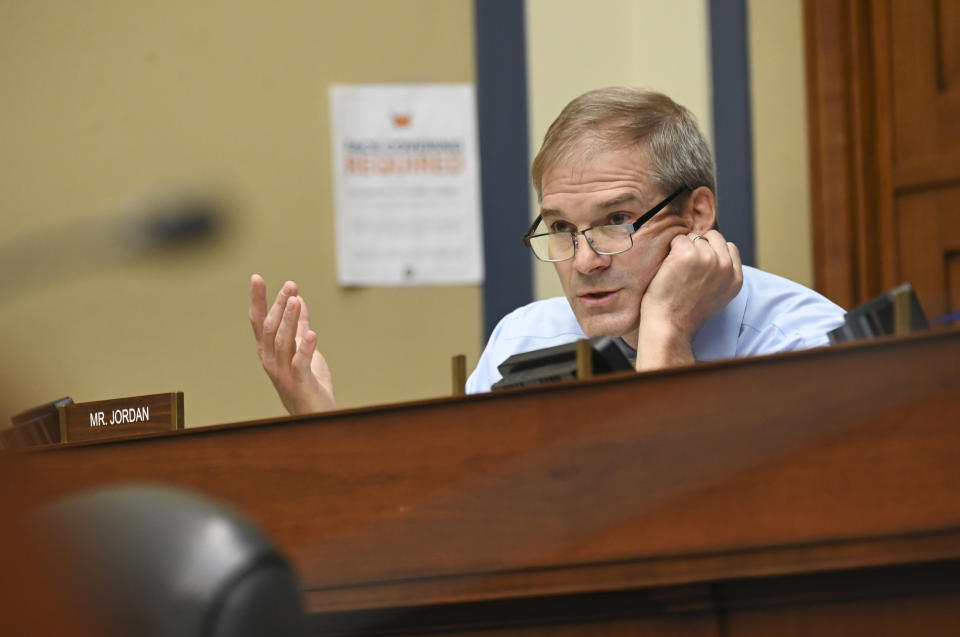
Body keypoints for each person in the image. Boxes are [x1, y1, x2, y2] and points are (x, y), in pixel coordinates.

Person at [249, 87, 845, 413]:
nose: (585, 261)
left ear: (697, 214)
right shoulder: (524, 339)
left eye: (615, 220)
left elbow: (695, 520)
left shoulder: (805, 340)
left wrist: (667, 332)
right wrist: (319, 422)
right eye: (560, 228)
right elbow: (468, 521)